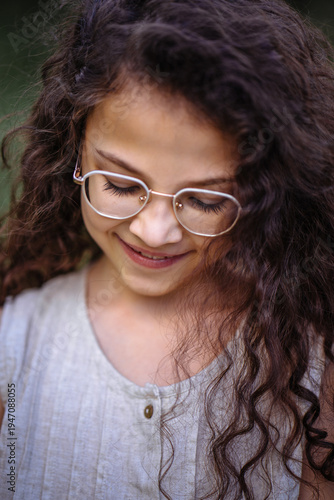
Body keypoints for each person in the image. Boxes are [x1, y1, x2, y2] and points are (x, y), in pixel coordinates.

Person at [0, 0, 333, 498]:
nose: (155, 232)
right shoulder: (14, 344)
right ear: (73, 152)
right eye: (119, 184)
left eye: (202, 199)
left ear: (264, 191)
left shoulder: (310, 360)